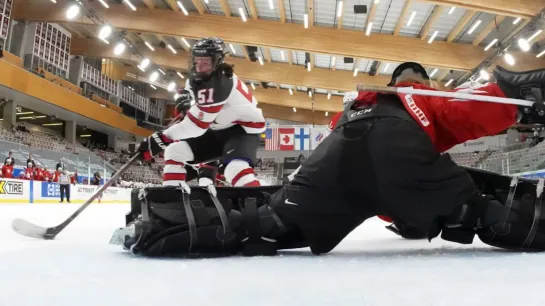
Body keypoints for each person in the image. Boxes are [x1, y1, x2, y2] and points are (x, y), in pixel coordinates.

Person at [114, 63, 545, 257]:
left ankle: (162, 220)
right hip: (401, 148)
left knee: (268, 222)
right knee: (478, 207)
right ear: (417, 83)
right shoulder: (420, 98)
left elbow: (354, 172)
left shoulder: (354, 105)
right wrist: (514, 97)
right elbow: (464, 110)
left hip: (335, 157)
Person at [137, 37, 266, 188]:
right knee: (175, 151)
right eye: (197, 61)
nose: (199, 67)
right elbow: (190, 89)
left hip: (242, 130)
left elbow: (196, 126)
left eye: (205, 63)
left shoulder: (219, 84)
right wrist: (185, 97)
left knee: (234, 169)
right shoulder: (203, 77)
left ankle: (259, 199)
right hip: (218, 129)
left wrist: (162, 138)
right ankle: (172, 196)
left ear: (217, 62)